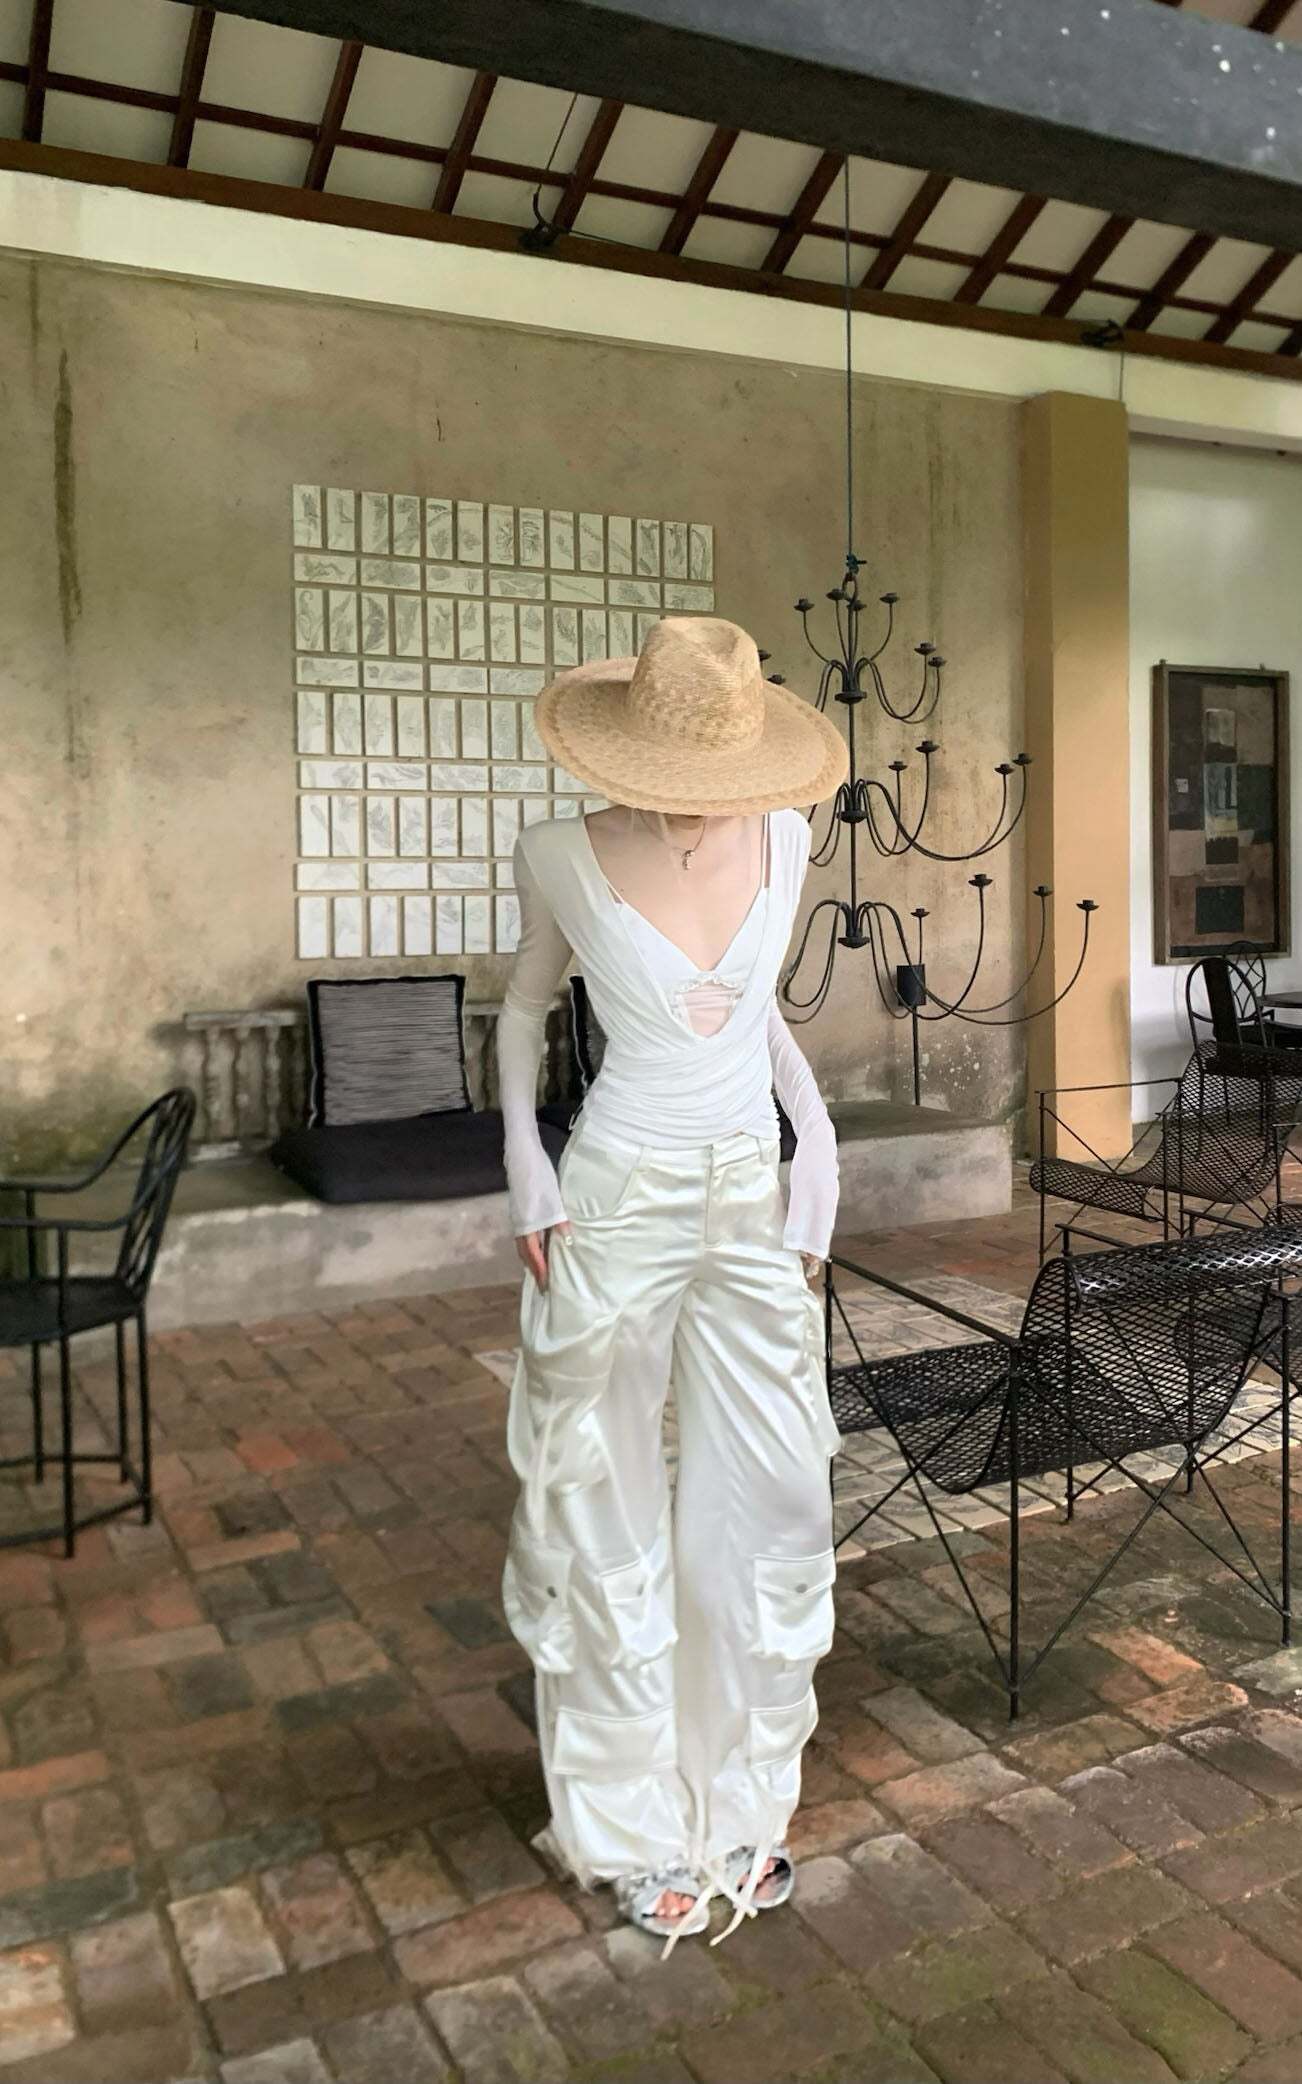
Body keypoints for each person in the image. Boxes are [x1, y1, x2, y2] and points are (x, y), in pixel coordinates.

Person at [495, 615, 849, 1953]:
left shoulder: (788, 839)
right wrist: (526, 1172)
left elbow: (760, 1018)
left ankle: (741, 1808)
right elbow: (524, 1007)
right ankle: (634, 1827)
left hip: (749, 1198)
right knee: (602, 1489)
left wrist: (817, 1149)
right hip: (614, 1194)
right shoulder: (557, 851)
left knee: (769, 1491)